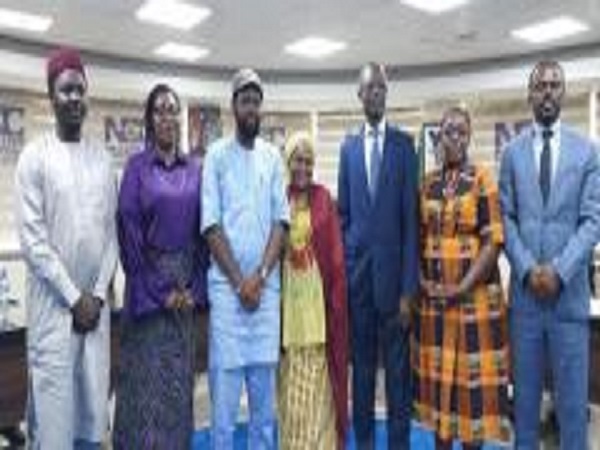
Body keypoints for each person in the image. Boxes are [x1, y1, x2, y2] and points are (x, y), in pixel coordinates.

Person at [14, 47, 117, 449]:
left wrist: (96, 295)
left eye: (80, 89)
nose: (74, 97)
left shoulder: (102, 159)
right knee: (54, 432)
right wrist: (75, 299)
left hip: (94, 317)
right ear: (51, 96)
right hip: (55, 318)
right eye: (66, 90)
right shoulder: (33, 158)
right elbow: (34, 242)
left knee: (91, 425)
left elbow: (111, 235)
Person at [499, 60, 600, 450]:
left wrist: (559, 271)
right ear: (529, 94)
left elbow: (592, 221)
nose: (547, 92)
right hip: (525, 303)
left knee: (572, 413)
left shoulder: (587, 152)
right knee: (524, 411)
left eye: (554, 85)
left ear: (564, 93)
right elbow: (506, 218)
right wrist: (527, 270)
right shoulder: (511, 153)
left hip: (568, 301)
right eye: (540, 85)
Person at [112, 84, 208, 449]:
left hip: (183, 298)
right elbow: (129, 232)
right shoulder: (137, 168)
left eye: (172, 110)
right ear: (149, 119)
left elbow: (204, 234)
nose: (167, 117)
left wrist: (194, 289)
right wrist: (159, 292)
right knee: (144, 390)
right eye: (160, 110)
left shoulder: (195, 169)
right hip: (147, 299)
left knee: (176, 391)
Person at [202, 68, 289, 450]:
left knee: (264, 416)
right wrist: (241, 282)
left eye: (256, 101)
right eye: (245, 101)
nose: (251, 108)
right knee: (223, 414)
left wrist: (261, 276)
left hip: (265, 297)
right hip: (228, 296)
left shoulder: (273, 158)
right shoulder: (216, 156)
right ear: (233, 106)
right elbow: (211, 226)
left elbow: (280, 223)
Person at [413, 107, 511, 449]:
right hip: (436, 306)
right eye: (448, 132)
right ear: (439, 137)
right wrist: (421, 281)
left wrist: (462, 287)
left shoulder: (482, 178)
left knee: (472, 400)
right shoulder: (427, 183)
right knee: (441, 399)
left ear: (469, 137)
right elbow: (416, 238)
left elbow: (494, 241)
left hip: (474, 303)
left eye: (461, 132)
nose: (454, 138)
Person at [337, 62, 419, 450]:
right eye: (370, 88)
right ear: (359, 95)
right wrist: (348, 272)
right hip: (359, 288)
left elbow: (411, 224)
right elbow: (344, 217)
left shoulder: (404, 147)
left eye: (381, 88)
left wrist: (408, 291)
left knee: (399, 381)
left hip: (395, 291)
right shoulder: (348, 148)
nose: (376, 94)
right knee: (364, 377)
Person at [278, 132, 348, 450]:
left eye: (308, 161)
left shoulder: (323, 199)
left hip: (317, 310)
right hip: (287, 309)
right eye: (298, 160)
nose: (303, 168)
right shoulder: (278, 197)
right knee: (291, 389)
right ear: (288, 162)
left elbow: (335, 256)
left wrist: (337, 305)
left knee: (318, 389)